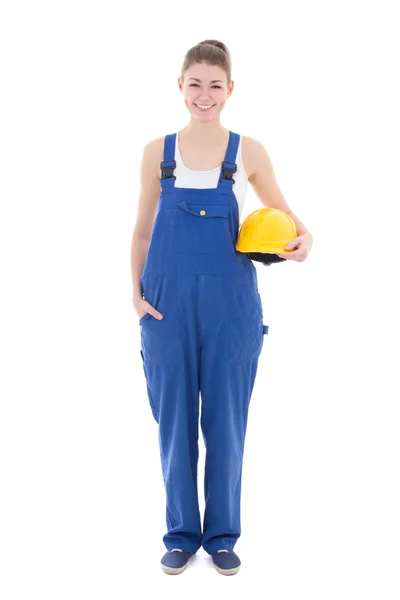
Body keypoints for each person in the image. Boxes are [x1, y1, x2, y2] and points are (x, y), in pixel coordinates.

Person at [130, 40, 313, 576]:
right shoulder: (155, 152)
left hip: (232, 306)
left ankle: (223, 536)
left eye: (215, 85)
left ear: (230, 90)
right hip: (164, 306)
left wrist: (306, 239)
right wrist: (135, 297)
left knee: (226, 423)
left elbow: (285, 214)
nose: (204, 95)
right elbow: (142, 230)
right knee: (174, 424)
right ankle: (181, 534)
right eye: (195, 84)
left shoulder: (248, 151)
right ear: (180, 87)